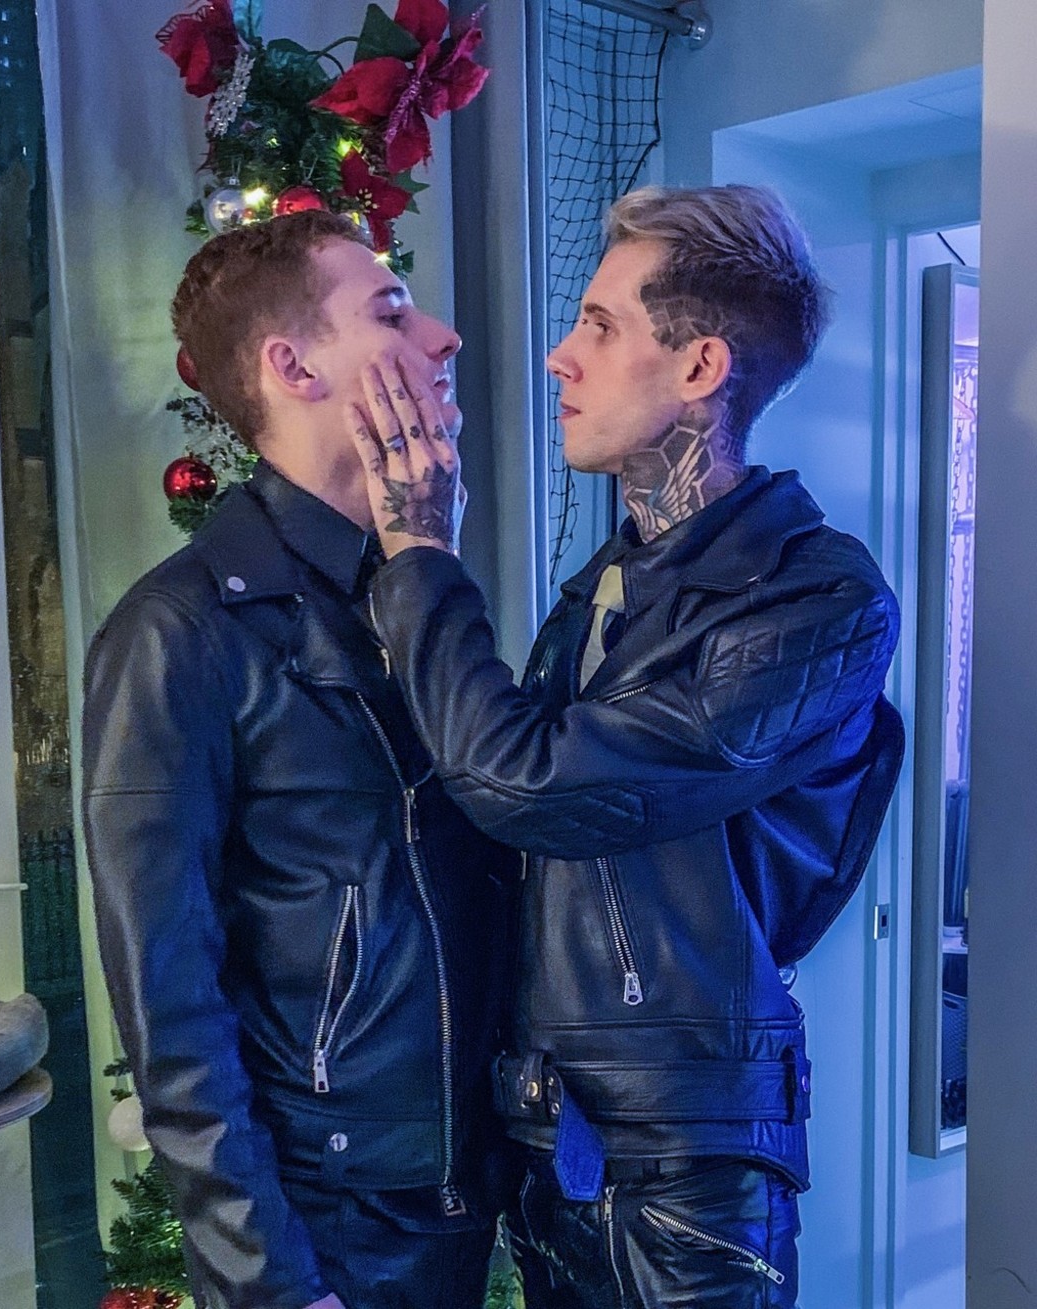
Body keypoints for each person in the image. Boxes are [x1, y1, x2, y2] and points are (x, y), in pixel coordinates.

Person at [349, 184, 904, 1308]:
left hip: (685, 1175)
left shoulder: (819, 600)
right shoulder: (606, 587)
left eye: (599, 326)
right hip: (550, 1135)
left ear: (701, 367)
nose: (561, 357)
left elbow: (527, 785)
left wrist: (421, 553)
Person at [81, 209, 516, 1309]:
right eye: (391, 311)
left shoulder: (411, 590)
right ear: (292, 366)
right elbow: (170, 1006)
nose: (444, 337)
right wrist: (269, 1280)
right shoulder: (177, 631)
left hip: (464, 1196)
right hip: (324, 1230)